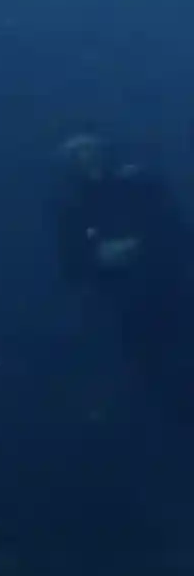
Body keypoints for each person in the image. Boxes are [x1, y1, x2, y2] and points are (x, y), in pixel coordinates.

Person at [52, 129, 194, 427]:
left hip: (173, 294)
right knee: (157, 380)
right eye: (76, 153)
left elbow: (178, 232)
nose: (85, 158)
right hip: (123, 312)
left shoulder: (142, 185)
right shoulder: (71, 206)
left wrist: (141, 245)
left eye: (89, 148)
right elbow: (70, 266)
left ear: (105, 148)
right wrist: (96, 257)